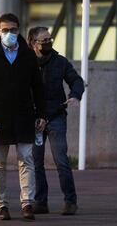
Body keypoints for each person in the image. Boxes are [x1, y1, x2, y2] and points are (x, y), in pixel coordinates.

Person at [0, 13, 46, 221]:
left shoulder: (29, 55)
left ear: (19, 30)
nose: (9, 34)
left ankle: (27, 203)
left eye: (13, 30)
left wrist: (41, 113)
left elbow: (37, 87)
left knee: (26, 159)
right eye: (5, 30)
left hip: (24, 115)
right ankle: (1, 204)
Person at [27, 26, 84, 215]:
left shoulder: (60, 62)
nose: (48, 44)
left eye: (50, 40)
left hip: (56, 116)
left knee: (61, 160)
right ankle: (41, 202)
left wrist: (75, 95)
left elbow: (76, 80)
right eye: (44, 41)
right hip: (34, 120)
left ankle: (70, 201)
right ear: (33, 43)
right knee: (36, 162)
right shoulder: (25, 63)